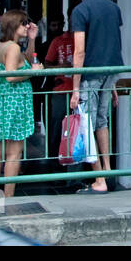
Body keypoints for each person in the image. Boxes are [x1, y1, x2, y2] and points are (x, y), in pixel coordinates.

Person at [70, 0, 123, 195]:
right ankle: (108, 173)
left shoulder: (80, 11)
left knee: (86, 124)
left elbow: (79, 51)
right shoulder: (114, 7)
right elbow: (115, 41)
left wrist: (74, 88)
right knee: (102, 122)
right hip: (111, 70)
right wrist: (111, 86)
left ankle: (99, 178)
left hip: (90, 74)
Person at [0, 9, 41, 199]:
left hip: (1, 100)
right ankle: (8, 197)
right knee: (14, 152)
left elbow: (22, 62)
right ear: (13, 25)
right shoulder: (12, 48)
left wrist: (32, 40)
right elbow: (11, 76)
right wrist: (34, 73)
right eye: (23, 23)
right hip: (14, 102)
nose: (27, 26)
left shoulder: (0, 47)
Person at [42, 15, 77, 180]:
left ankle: (74, 164)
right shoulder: (57, 41)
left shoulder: (80, 39)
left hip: (77, 89)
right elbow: (47, 63)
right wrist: (59, 67)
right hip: (60, 90)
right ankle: (55, 162)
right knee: (57, 127)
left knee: (77, 128)